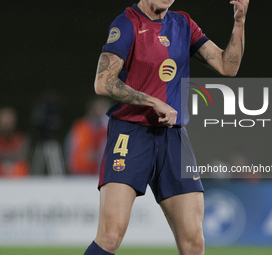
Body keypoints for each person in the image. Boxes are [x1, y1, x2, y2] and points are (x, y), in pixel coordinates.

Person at [84, 0, 249, 254]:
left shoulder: (183, 24)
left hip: (174, 139)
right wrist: (152, 102)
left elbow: (228, 66)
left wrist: (239, 22)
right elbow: (103, 82)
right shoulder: (127, 23)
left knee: (194, 243)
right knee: (110, 237)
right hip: (130, 134)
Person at [65, 98, 110, 175]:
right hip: (80, 170)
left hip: (101, 173)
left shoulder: (109, 128)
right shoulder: (80, 126)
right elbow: (70, 146)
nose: (99, 112)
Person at [0, 107, 29, 177]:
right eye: (3, 123)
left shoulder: (20, 139)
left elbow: (22, 155)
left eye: (8, 123)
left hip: (17, 175)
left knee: (20, 165)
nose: (6, 126)